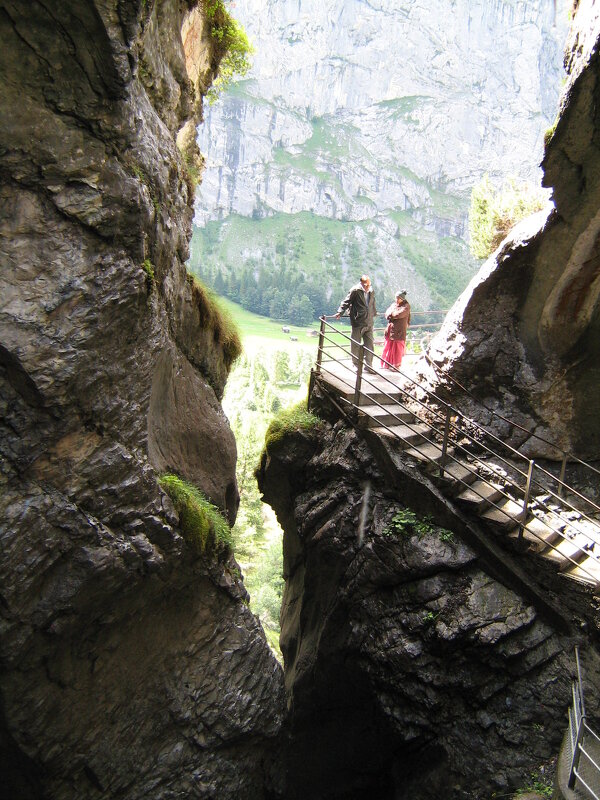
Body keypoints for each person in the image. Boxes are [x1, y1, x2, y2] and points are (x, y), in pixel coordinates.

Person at [335, 275, 377, 371]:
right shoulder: (355, 290)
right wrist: (340, 312)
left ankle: (369, 366)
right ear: (361, 283)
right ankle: (356, 365)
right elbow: (346, 301)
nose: (367, 287)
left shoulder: (371, 290)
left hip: (369, 322)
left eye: (369, 285)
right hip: (358, 321)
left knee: (370, 344)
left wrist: (374, 313)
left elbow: (372, 303)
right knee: (355, 344)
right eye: (366, 285)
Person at [380, 290, 410, 369]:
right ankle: (386, 364)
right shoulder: (393, 305)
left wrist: (392, 314)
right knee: (388, 346)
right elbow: (387, 313)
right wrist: (391, 314)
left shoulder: (406, 306)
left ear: (402, 299)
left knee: (397, 349)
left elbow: (399, 314)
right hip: (390, 330)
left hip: (399, 331)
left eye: (399, 298)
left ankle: (396, 366)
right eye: (396, 298)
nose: (397, 300)